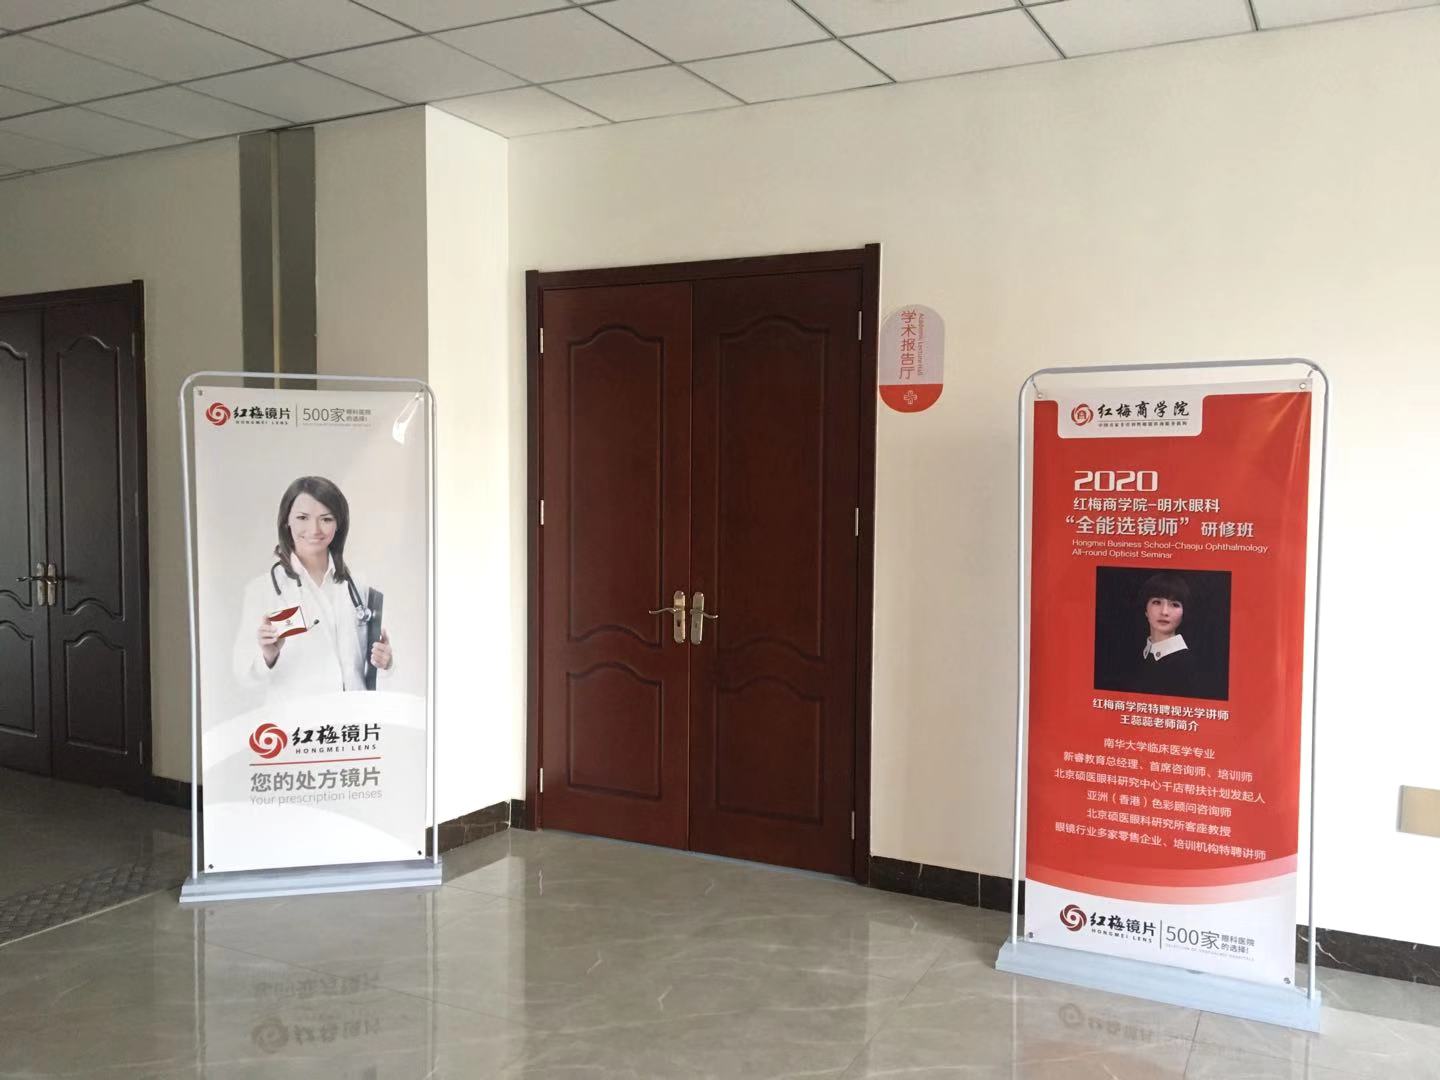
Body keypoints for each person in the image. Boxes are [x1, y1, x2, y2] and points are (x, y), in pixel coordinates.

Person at [233, 476, 392, 702]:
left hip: (353, 716)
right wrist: (268, 656)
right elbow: (243, 674)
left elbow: (371, 664)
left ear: (338, 524)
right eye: (302, 518)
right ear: (286, 521)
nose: (314, 529)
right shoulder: (263, 590)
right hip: (298, 719)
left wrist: (386, 662)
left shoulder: (357, 586)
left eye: (326, 519)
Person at [1131, 572, 1200, 698]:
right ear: (1145, 609)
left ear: (1184, 613)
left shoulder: (1189, 666)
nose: (1164, 612)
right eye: (1157, 602)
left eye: (1174, 604)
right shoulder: (1137, 656)